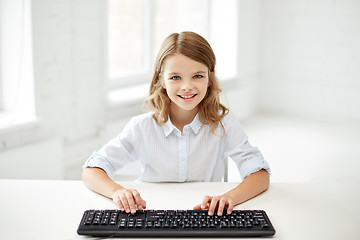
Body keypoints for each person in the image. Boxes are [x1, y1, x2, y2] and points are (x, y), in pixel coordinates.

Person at [82, 31, 270, 216]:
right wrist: (117, 192)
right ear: (161, 80)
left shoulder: (223, 123)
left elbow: (260, 175)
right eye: (175, 77)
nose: (187, 86)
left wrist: (230, 197)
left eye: (197, 76)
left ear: (210, 79)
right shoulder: (141, 127)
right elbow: (92, 170)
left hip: (203, 217)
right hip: (152, 214)